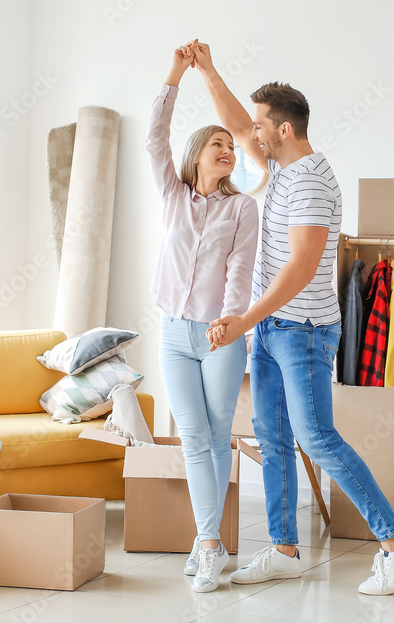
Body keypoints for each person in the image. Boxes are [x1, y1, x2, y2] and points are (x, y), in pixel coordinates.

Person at [189, 40, 394, 596]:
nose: (251, 135)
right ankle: (284, 550)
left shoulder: (313, 180)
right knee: (272, 438)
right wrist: (207, 70)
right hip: (274, 330)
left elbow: (300, 267)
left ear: (286, 131)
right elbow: (236, 123)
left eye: (261, 128)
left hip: (305, 332)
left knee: (317, 438)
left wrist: (244, 320)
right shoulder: (283, 167)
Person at [146, 43, 259, 593]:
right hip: (173, 333)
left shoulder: (242, 208)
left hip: (220, 335)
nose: (229, 151)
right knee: (192, 435)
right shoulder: (173, 195)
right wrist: (176, 73)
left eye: (232, 147)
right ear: (196, 155)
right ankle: (210, 542)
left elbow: (241, 270)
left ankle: (207, 543)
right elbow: (154, 136)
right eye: (219, 144)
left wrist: (232, 319)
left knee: (218, 436)